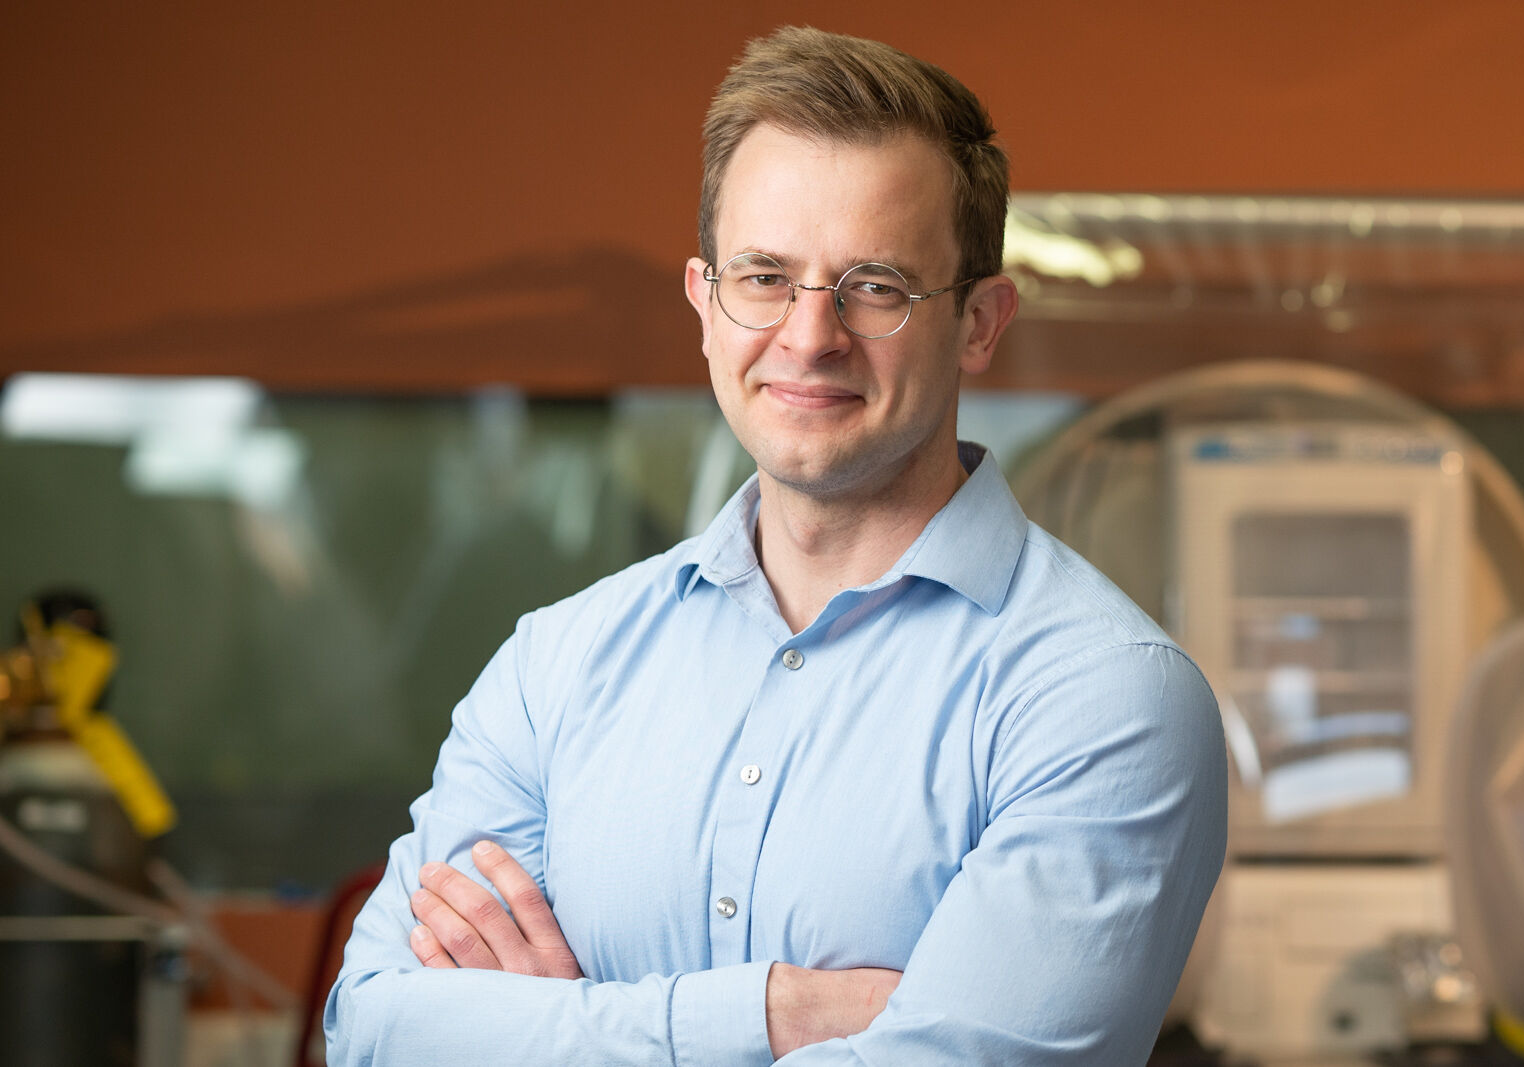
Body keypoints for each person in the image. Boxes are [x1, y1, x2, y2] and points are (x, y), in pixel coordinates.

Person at [326, 26, 1225, 1066]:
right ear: (704, 303)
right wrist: (773, 1013)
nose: (809, 337)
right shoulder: (555, 668)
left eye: (876, 286)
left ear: (980, 322)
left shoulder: (1105, 699)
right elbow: (373, 1028)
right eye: (763, 277)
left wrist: (559, 1029)